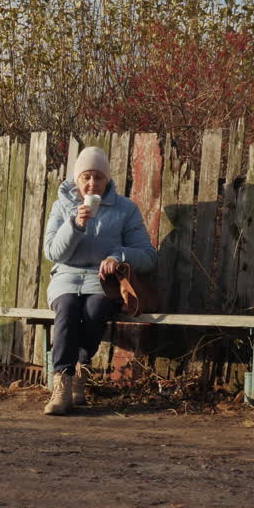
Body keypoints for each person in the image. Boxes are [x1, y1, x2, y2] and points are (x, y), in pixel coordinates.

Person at [41, 146, 156, 415]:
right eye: (86, 177)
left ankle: (80, 370)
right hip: (66, 278)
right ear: (77, 179)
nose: (92, 184)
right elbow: (52, 253)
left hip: (102, 282)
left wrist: (119, 256)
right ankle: (62, 384)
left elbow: (149, 256)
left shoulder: (125, 209)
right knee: (67, 309)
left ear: (107, 180)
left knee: (94, 310)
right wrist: (75, 225)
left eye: (99, 178)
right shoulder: (62, 207)